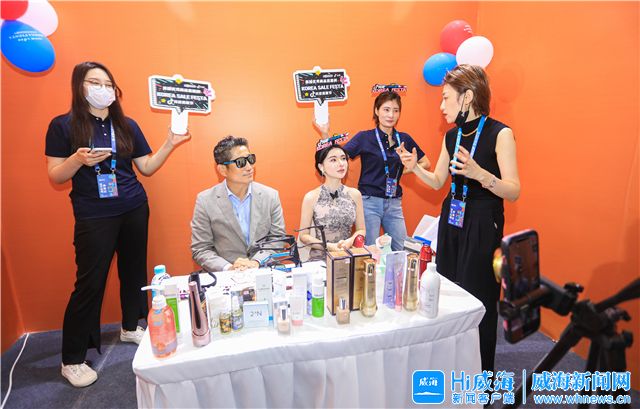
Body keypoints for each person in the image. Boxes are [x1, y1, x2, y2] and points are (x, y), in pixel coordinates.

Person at [45, 61, 191, 387]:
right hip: (93, 214)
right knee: (90, 283)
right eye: (94, 82)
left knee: (134, 271)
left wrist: (170, 142)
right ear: (79, 87)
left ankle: (130, 326)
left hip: (134, 207)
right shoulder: (63, 125)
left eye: (108, 84)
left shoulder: (126, 125)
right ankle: (72, 359)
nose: (103, 89)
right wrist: (77, 159)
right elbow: (55, 175)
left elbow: (147, 167)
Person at [397, 64, 521, 373]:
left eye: (445, 98)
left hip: (483, 221)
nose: (441, 106)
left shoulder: (500, 133)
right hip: (452, 218)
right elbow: (438, 181)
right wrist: (415, 169)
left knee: (480, 297)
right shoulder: (452, 136)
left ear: (467, 97)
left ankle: (482, 378)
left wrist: (481, 175)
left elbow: (513, 191)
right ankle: (451, 367)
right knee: (448, 290)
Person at [341, 90, 430, 251]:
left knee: (401, 249)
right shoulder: (365, 137)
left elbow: (425, 163)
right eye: (386, 109)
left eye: (396, 110)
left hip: (394, 203)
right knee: (369, 251)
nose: (391, 115)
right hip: (369, 202)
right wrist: (326, 136)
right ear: (377, 111)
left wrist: (404, 170)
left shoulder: (404, 139)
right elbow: (340, 155)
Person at [191, 135, 286, 272]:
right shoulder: (205, 201)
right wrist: (229, 268)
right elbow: (201, 249)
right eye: (241, 162)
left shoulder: (270, 196)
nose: (249, 167)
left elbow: (277, 239)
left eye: (250, 159)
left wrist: (256, 262)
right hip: (226, 276)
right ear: (222, 170)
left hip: (263, 271)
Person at [298, 136, 366, 260]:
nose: (341, 164)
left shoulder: (355, 194)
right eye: (333, 160)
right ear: (321, 167)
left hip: (346, 256)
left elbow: (361, 229)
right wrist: (328, 246)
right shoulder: (311, 197)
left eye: (343, 158)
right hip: (319, 260)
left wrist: (350, 241)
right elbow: (304, 236)